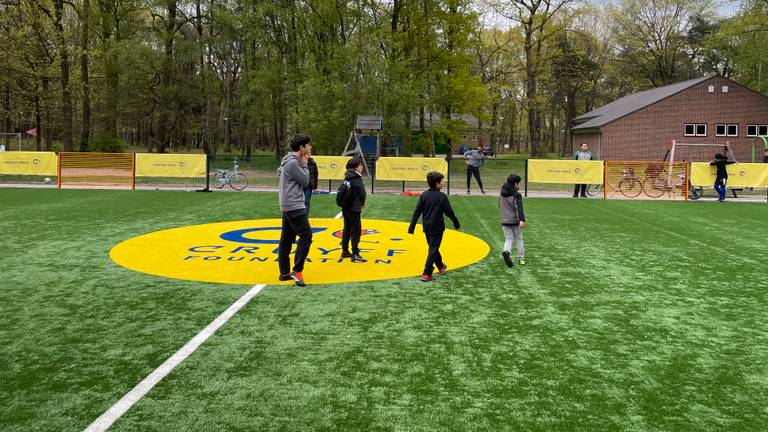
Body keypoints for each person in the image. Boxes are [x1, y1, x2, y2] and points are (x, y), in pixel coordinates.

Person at [408, 171, 461, 282]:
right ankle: (427, 273)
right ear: (437, 184)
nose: (444, 182)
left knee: (433, 247)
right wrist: (455, 222)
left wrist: (411, 227)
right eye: (442, 181)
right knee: (433, 248)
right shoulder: (442, 197)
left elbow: (417, 211)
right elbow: (449, 212)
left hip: (426, 227)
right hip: (437, 227)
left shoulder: (424, 195)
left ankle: (441, 267)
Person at [277, 134, 313, 286]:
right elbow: (305, 182)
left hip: (288, 204)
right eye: (308, 145)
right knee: (306, 235)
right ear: (301, 148)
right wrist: (305, 164)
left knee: (286, 239)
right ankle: (297, 271)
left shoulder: (289, 161)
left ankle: (284, 272)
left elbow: (279, 172)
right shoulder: (294, 163)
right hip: (293, 205)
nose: (310, 148)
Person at [340, 158, 367, 263]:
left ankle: (345, 251)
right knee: (356, 230)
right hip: (354, 207)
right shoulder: (357, 178)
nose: (362, 166)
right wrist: (362, 202)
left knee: (346, 229)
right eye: (361, 165)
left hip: (346, 206)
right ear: (356, 166)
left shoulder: (347, 177)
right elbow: (362, 193)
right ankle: (355, 252)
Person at [499, 174, 526, 267]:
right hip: (514, 221)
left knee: (508, 238)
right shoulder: (517, 195)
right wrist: (521, 220)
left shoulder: (502, 193)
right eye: (518, 184)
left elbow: (500, 205)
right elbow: (519, 208)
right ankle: (521, 259)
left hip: (504, 220)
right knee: (519, 238)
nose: (519, 186)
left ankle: (506, 251)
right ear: (515, 184)